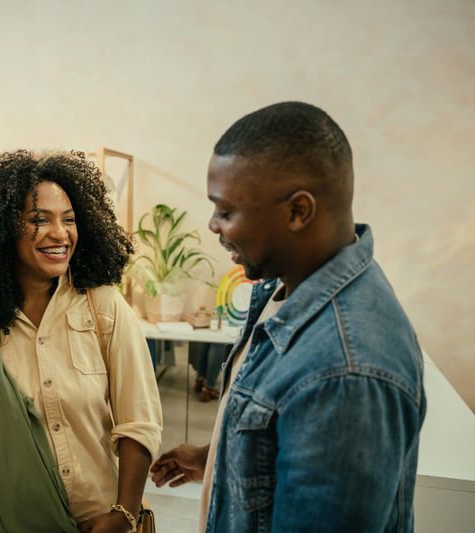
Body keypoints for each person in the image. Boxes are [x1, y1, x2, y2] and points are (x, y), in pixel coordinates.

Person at [150, 102, 426, 532]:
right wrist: (216, 457)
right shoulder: (281, 287)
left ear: (298, 211)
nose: (213, 226)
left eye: (225, 211)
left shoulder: (343, 371)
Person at [0, 151, 163, 532]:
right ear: (1, 228)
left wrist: (123, 513)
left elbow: (139, 421)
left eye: (69, 220)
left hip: (103, 520)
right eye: (39, 220)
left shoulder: (102, 306)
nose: (60, 233)